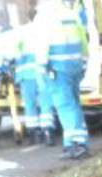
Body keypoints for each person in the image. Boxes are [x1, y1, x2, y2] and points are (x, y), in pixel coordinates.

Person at [35, 0, 88, 159]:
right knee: (74, 104)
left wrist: (42, 65)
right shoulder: (70, 13)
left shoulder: (45, 15)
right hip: (75, 65)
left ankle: (75, 145)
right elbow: (83, 39)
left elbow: (41, 43)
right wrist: (83, 61)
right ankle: (76, 143)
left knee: (65, 106)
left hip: (57, 67)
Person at [13, 19, 54, 146]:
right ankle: (47, 132)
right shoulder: (43, 31)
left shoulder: (19, 34)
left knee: (29, 104)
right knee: (45, 103)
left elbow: (12, 54)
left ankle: (33, 133)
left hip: (25, 75)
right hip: (41, 73)